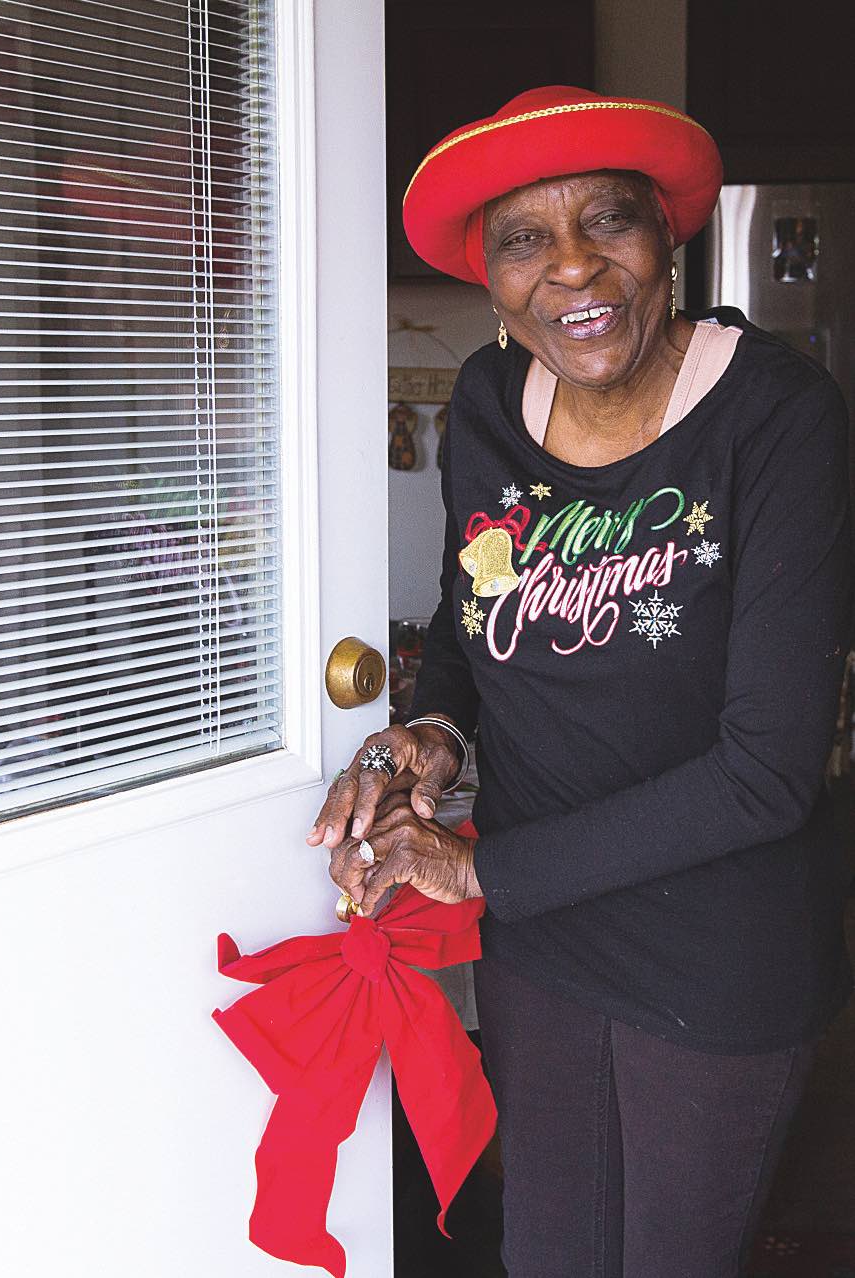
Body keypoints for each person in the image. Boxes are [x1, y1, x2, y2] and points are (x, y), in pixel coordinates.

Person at [308, 86, 854, 1276]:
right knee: (547, 1252)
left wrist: (477, 865)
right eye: (523, 239)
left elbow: (767, 774)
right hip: (542, 943)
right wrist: (434, 737)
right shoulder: (490, 407)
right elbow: (470, 620)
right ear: (488, 276)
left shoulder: (775, 420)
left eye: (606, 220)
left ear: (666, 238)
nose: (569, 267)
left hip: (715, 955)